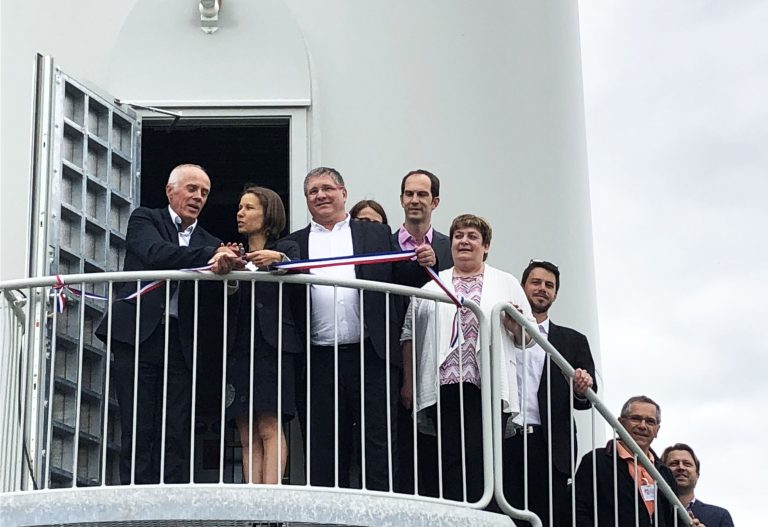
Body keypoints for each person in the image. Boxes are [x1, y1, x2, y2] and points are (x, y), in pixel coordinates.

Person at [284, 166, 436, 491]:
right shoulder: (291, 244)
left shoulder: (376, 235)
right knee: (323, 446)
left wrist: (427, 261)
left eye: (327, 188)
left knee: (378, 444)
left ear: (344, 193)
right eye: (313, 191)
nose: (321, 195)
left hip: (371, 355)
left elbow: (406, 280)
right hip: (317, 361)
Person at [95, 163, 243, 484]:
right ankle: (135, 500)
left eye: (204, 192)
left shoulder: (209, 240)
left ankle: (170, 501)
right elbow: (155, 253)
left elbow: (215, 301)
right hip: (138, 335)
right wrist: (210, 256)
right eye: (192, 189)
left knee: (176, 425)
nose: (198, 197)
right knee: (138, 422)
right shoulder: (145, 218)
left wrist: (228, 272)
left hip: (181, 340)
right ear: (170, 191)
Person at [400, 213, 532, 502]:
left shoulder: (506, 282)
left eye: (473, 236)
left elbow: (528, 337)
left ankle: (482, 514)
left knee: (483, 455)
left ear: (485, 246)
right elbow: (409, 333)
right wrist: (409, 381)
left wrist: (514, 326)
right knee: (450, 455)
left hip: (489, 384)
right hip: (445, 384)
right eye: (459, 236)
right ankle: (455, 514)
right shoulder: (433, 284)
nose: (464, 241)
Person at [501, 259, 597, 526]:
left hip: (549, 445)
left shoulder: (572, 340)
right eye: (536, 282)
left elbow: (588, 397)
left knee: (547, 517)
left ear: (555, 293)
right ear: (522, 287)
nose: (542, 289)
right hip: (504, 439)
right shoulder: (499, 328)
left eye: (549, 285)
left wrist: (581, 388)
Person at [226, 185, 300, 484]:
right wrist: (229, 276)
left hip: (274, 347)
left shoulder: (289, 248)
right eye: (240, 207)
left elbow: (299, 273)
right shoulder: (233, 253)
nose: (240, 213)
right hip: (240, 346)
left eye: (249, 208)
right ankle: (252, 504)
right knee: (246, 432)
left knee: (270, 425)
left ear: (268, 213)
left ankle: (270, 501)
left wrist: (278, 259)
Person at [394, 169, 453, 493]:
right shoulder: (385, 244)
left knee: (440, 442)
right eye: (409, 194)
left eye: (422, 195)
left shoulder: (450, 247)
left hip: (441, 358)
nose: (414, 200)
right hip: (392, 356)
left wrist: (440, 262)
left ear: (435, 201)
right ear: (401, 199)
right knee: (399, 442)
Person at [574, 395, 680, 527]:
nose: (642, 426)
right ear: (620, 423)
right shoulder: (596, 461)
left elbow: (674, 520)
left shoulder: (665, 473)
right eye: (636, 419)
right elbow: (579, 511)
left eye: (650, 421)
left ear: (657, 430)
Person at [662, 443, 735, 527]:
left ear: (697, 475)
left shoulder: (719, 516)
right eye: (674, 464)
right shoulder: (652, 513)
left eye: (687, 464)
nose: (681, 467)